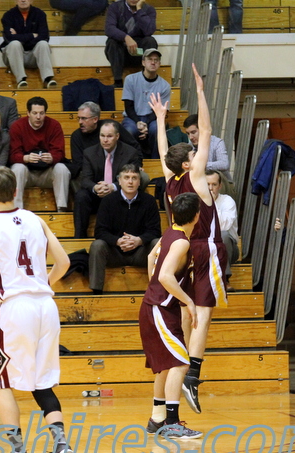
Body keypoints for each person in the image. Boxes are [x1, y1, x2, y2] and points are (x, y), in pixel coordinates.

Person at [0, 166, 73, 453]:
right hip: (46, 306)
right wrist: (42, 284)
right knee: (42, 381)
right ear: (16, 191)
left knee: (1, 382)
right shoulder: (36, 219)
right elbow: (64, 262)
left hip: (14, 309)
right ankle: (60, 444)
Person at [151, 64, 227, 415]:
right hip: (204, 247)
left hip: (178, 249)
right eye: (193, 154)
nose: (198, 153)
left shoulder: (170, 180)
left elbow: (162, 152)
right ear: (187, 164)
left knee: (186, 312)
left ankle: (181, 360)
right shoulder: (196, 176)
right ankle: (192, 374)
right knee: (204, 313)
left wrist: (160, 120)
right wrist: (200, 92)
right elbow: (207, 130)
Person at [140, 192, 201, 439]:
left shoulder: (170, 232)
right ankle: (172, 423)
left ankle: (157, 419)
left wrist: (152, 287)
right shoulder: (181, 242)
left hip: (157, 306)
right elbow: (165, 276)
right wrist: (189, 301)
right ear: (196, 216)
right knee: (180, 363)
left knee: (167, 365)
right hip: (160, 308)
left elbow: (150, 257)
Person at [89, 164, 160, 294]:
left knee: (157, 243)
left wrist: (139, 240)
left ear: (139, 182)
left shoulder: (149, 201)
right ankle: (96, 292)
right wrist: (117, 241)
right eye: (126, 177)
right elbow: (100, 231)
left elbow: (155, 231)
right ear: (119, 181)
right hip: (115, 252)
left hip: (141, 253)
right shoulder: (108, 201)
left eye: (134, 178)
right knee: (97, 245)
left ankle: (158, 289)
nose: (130, 181)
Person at [73, 120, 146, 238]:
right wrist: (96, 187)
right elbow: (85, 179)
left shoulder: (130, 153)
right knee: (81, 196)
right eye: (102, 136)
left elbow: (132, 178)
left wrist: (113, 187)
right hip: (97, 195)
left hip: (119, 194)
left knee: (131, 191)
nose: (105, 140)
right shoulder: (89, 153)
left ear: (117, 136)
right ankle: (79, 238)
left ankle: (126, 237)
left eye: (109, 136)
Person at [9, 97, 69, 211]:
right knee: (17, 168)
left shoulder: (54, 125)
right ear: (28, 113)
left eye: (41, 113)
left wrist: (52, 158)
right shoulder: (17, 126)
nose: (38, 117)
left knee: (62, 168)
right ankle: (16, 210)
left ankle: (61, 209)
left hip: (47, 173)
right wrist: (25, 158)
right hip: (27, 173)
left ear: (45, 113)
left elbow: (60, 152)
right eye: (35, 113)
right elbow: (12, 155)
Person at [69, 101, 142, 182]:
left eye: (84, 118)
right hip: (92, 175)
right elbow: (78, 164)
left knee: (141, 176)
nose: (80, 122)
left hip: (120, 172)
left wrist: (137, 165)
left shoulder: (111, 127)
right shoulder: (76, 136)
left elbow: (134, 147)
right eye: (79, 118)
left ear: (95, 119)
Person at [122, 48, 169, 159]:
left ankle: (157, 162)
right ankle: (131, 162)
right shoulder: (130, 79)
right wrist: (138, 122)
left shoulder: (165, 86)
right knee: (130, 130)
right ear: (143, 62)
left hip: (152, 118)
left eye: (156, 60)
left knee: (157, 130)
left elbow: (161, 111)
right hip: (132, 117)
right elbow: (128, 106)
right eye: (150, 59)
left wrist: (145, 124)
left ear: (159, 64)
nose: (153, 62)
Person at [0, 0, 57, 89]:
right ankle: (21, 80)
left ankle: (47, 79)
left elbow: (44, 36)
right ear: (15, 1)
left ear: (31, 1)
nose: (23, 0)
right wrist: (32, 35)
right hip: (13, 57)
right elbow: (9, 38)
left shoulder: (40, 14)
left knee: (43, 44)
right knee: (14, 44)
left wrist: (18, 36)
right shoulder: (8, 15)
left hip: (33, 56)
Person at [104, 0, 157, 87]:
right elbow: (109, 28)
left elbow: (149, 31)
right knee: (112, 42)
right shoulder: (115, 7)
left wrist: (139, 10)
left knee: (150, 41)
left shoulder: (149, 10)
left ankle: (147, 79)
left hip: (139, 53)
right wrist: (126, 37)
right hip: (120, 52)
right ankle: (118, 81)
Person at [181, 113, 233, 193]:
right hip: (201, 184)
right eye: (188, 134)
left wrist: (201, 165)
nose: (190, 137)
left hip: (222, 184)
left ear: (202, 129)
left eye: (193, 132)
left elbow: (224, 164)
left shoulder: (217, 142)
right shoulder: (189, 146)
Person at [206, 169, 238, 288]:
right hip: (205, 245)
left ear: (220, 186)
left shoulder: (227, 201)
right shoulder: (196, 201)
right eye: (207, 184)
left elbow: (223, 226)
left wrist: (211, 205)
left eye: (214, 184)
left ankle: (224, 279)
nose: (210, 188)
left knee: (223, 235)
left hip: (228, 248)